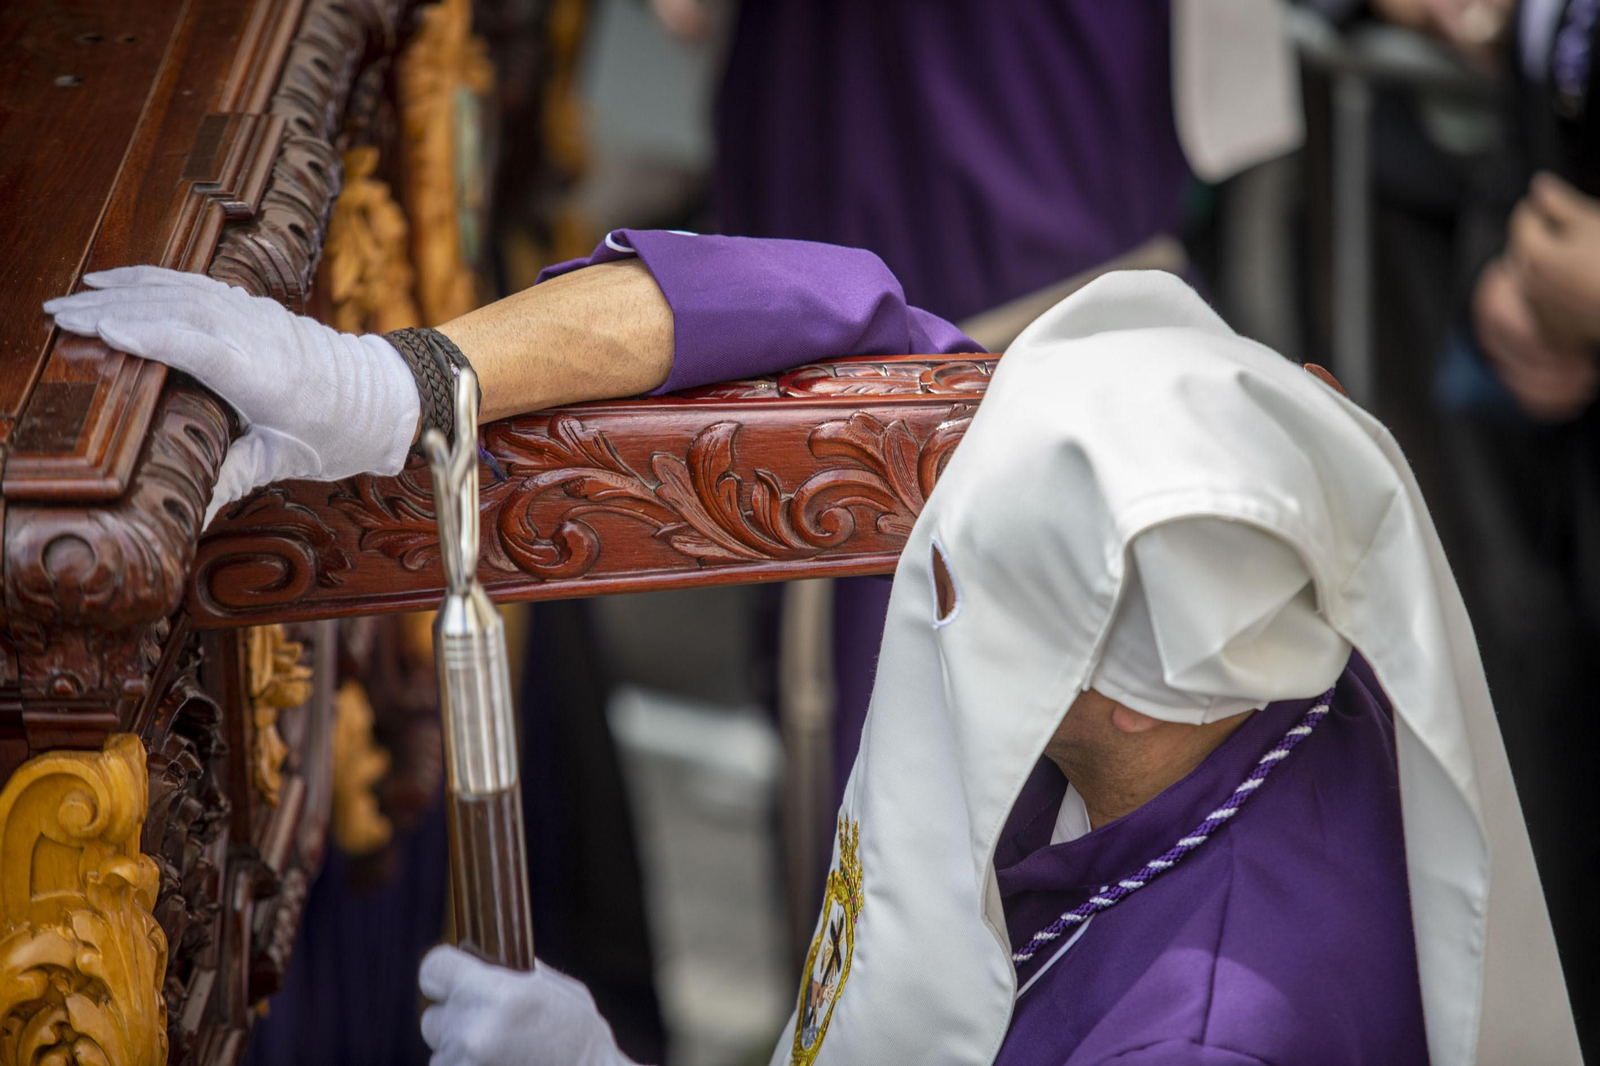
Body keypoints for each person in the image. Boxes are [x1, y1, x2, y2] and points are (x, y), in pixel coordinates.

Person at [45, 233, 1579, 1064]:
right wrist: (403, 382)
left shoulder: (1207, 1032)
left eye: (966, 585)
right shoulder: (1242, 609)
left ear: (1094, 683)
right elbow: (821, 307)